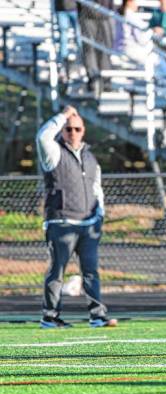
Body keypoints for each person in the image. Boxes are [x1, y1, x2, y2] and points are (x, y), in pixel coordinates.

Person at [35, 105, 117, 329]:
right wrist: (62, 115)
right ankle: (50, 317)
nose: (72, 133)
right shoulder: (53, 152)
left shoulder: (90, 157)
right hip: (61, 222)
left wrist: (100, 214)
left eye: (77, 129)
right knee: (57, 271)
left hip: (88, 224)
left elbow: (96, 188)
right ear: (62, 130)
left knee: (91, 272)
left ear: (84, 130)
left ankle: (97, 316)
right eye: (68, 128)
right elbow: (42, 135)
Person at [114, 0, 166, 83]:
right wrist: (153, 31)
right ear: (129, 2)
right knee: (157, 60)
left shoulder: (120, 14)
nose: (136, 5)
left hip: (122, 48)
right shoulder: (130, 16)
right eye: (134, 2)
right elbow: (142, 39)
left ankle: (165, 83)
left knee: (156, 58)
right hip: (130, 50)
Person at [77, 0, 114, 95]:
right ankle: (93, 79)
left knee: (105, 49)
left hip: (104, 13)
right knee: (89, 49)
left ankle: (106, 80)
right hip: (87, 14)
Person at [55, 0, 82, 74]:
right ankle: (63, 60)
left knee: (78, 36)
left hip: (73, 9)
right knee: (63, 36)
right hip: (61, 9)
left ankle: (81, 57)